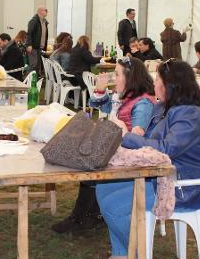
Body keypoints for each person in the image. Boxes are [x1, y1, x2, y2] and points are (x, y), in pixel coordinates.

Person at [95, 59, 200, 259]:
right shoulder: (164, 107)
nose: (154, 83)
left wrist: (127, 136)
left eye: (158, 79)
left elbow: (166, 149)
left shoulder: (190, 115)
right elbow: (149, 139)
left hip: (182, 186)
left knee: (113, 206)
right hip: (162, 176)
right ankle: (123, 254)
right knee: (104, 187)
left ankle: (137, 254)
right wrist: (128, 135)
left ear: (171, 85)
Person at [51, 56, 155, 233]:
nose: (113, 78)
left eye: (117, 74)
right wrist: (100, 90)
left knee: (89, 160)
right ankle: (87, 214)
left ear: (130, 77)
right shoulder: (126, 96)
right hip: (117, 146)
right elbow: (107, 109)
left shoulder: (142, 102)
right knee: (85, 155)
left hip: (130, 154)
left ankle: (84, 216)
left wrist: (121, 130)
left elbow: (138, 135)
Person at [26, 7, 49, 74]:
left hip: (40, 47)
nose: (47, 12)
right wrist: (29, 44)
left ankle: (35, 82)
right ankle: (28, 82)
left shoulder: (44, 22)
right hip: (33, 47)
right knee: (33, 65)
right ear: (41, 11)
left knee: (38, 66)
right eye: (46, 10)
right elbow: (29, 33)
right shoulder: (34, 21)